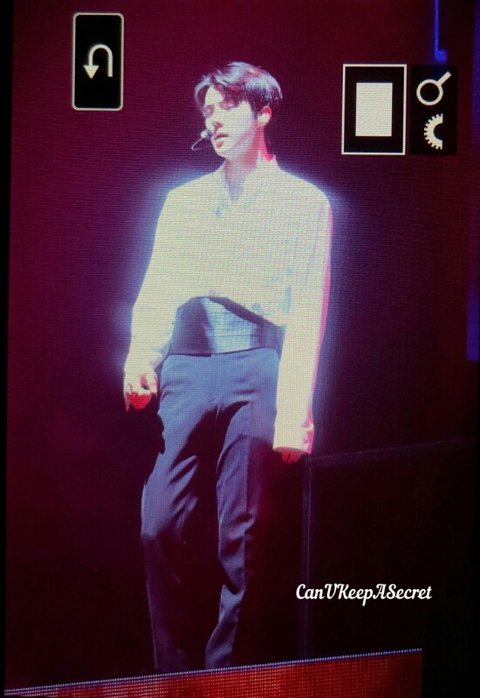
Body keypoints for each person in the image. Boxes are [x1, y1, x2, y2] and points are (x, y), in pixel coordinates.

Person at [123, 61, 332, 672]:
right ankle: (174, 675)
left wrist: (294, 412)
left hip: (256, 364)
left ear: (263, 112)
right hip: (187, 364)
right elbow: (158, 287)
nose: (213, 120)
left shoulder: (304, 203)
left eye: (227, 107)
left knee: (242, 534)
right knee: (159, 524)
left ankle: (225, 679)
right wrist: (141, 357)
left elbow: (308, 308)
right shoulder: (184, 201)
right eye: (207, 111)